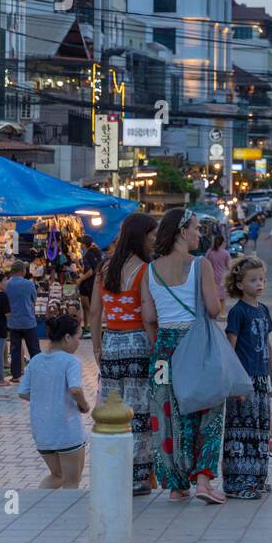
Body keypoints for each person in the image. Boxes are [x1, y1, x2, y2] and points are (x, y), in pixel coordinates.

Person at [142, 207, 227, 505]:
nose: (199, 234)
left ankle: (177, 486)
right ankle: (203, 480)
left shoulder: (150, 270)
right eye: (195, 228)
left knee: (168, 414)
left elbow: (149, 316)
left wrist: (161, 345)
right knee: (209, 407)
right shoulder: (200, 265)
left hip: (164, 348)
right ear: (182, 232)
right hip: (195, 344)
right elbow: (214, 310)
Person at [88, 211, 157, 493]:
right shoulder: (145, 269)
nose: (154, 241)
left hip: (112, 343)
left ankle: (112, 473)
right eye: (151, 236)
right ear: (140, 237)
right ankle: (137, 477)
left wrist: (96, 347)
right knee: (137, 414)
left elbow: (94, 311)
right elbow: (149, 315)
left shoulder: (104, 269)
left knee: (111, 413)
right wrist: (156, 346)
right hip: (138, 343)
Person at [223, 254, 272, 500]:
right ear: (239, 285)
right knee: (240, 431)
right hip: (243, 381)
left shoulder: (263, 310)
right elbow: (230, 348)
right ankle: (237, 483)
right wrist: (233, 381)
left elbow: (267, 345)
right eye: (253, 279)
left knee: (259, 429)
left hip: (260, 380)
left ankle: (256, 478)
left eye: (262, 279)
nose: (260, 284)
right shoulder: (238, 313)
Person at [17, 312, 89, 489]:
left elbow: (23, 392)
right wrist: (84, 405)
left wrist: (46, 397)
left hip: (42, 432)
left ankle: (37, 505)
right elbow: (75, 389)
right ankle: (69, 516)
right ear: (67, 337)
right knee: (72, 482)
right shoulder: (71, 361)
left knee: (57, 476)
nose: (79, 343)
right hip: (67, 430)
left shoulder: (35, 360)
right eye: (78, 337)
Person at [4, 260, 40, 383]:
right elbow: (34, 299)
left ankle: (16, 375)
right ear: (22, 271)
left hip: (13, 322)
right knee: (34, 349)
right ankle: (37, 373)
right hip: (28, 321)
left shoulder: (6, 285)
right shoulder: (28, 284)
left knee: (15, 349)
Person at [77, 235, 104, 324]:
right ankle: (88, 326)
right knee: (94, 308)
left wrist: (80, 280)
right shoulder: (97, 253)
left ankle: (91, 326)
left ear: (84, 245)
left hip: (89, 285)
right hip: (97, 283)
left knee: (90, 308)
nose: (80, 245)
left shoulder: (87, 256)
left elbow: (90, 272)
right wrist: (77, 263)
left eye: (81, 243)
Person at [207, 234, 232, 315]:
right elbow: (229, 266)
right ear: (222, 242)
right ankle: (223, 312)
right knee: (222, 297)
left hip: (211, 275)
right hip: (222, 276)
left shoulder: (210, 252)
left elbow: (206, 263)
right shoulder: (226, 253)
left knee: (214, 295)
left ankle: (214, 312)